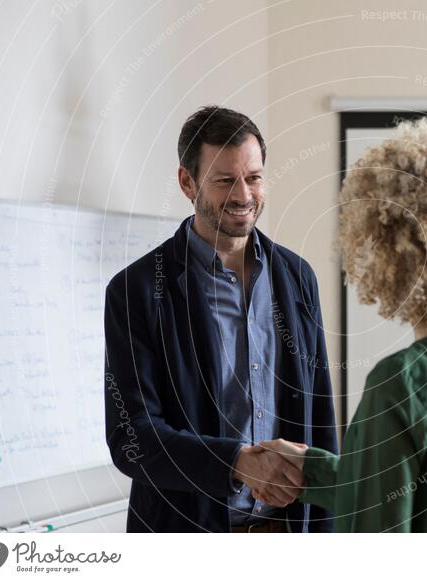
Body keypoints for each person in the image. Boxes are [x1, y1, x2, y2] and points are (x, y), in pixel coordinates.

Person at [255, 117, 427, 532]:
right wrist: (309, 470)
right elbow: (408, 491)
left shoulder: (401, 384)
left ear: (390, 247)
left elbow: (375, 524)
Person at [103, 106, 337, 532]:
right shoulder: (135, 292)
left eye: (255, 177)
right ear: (186, 182)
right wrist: (235, 462)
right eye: (225, 180)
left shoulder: (298, 277)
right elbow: (131, 439)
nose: (244, 195)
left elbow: (319, 420)